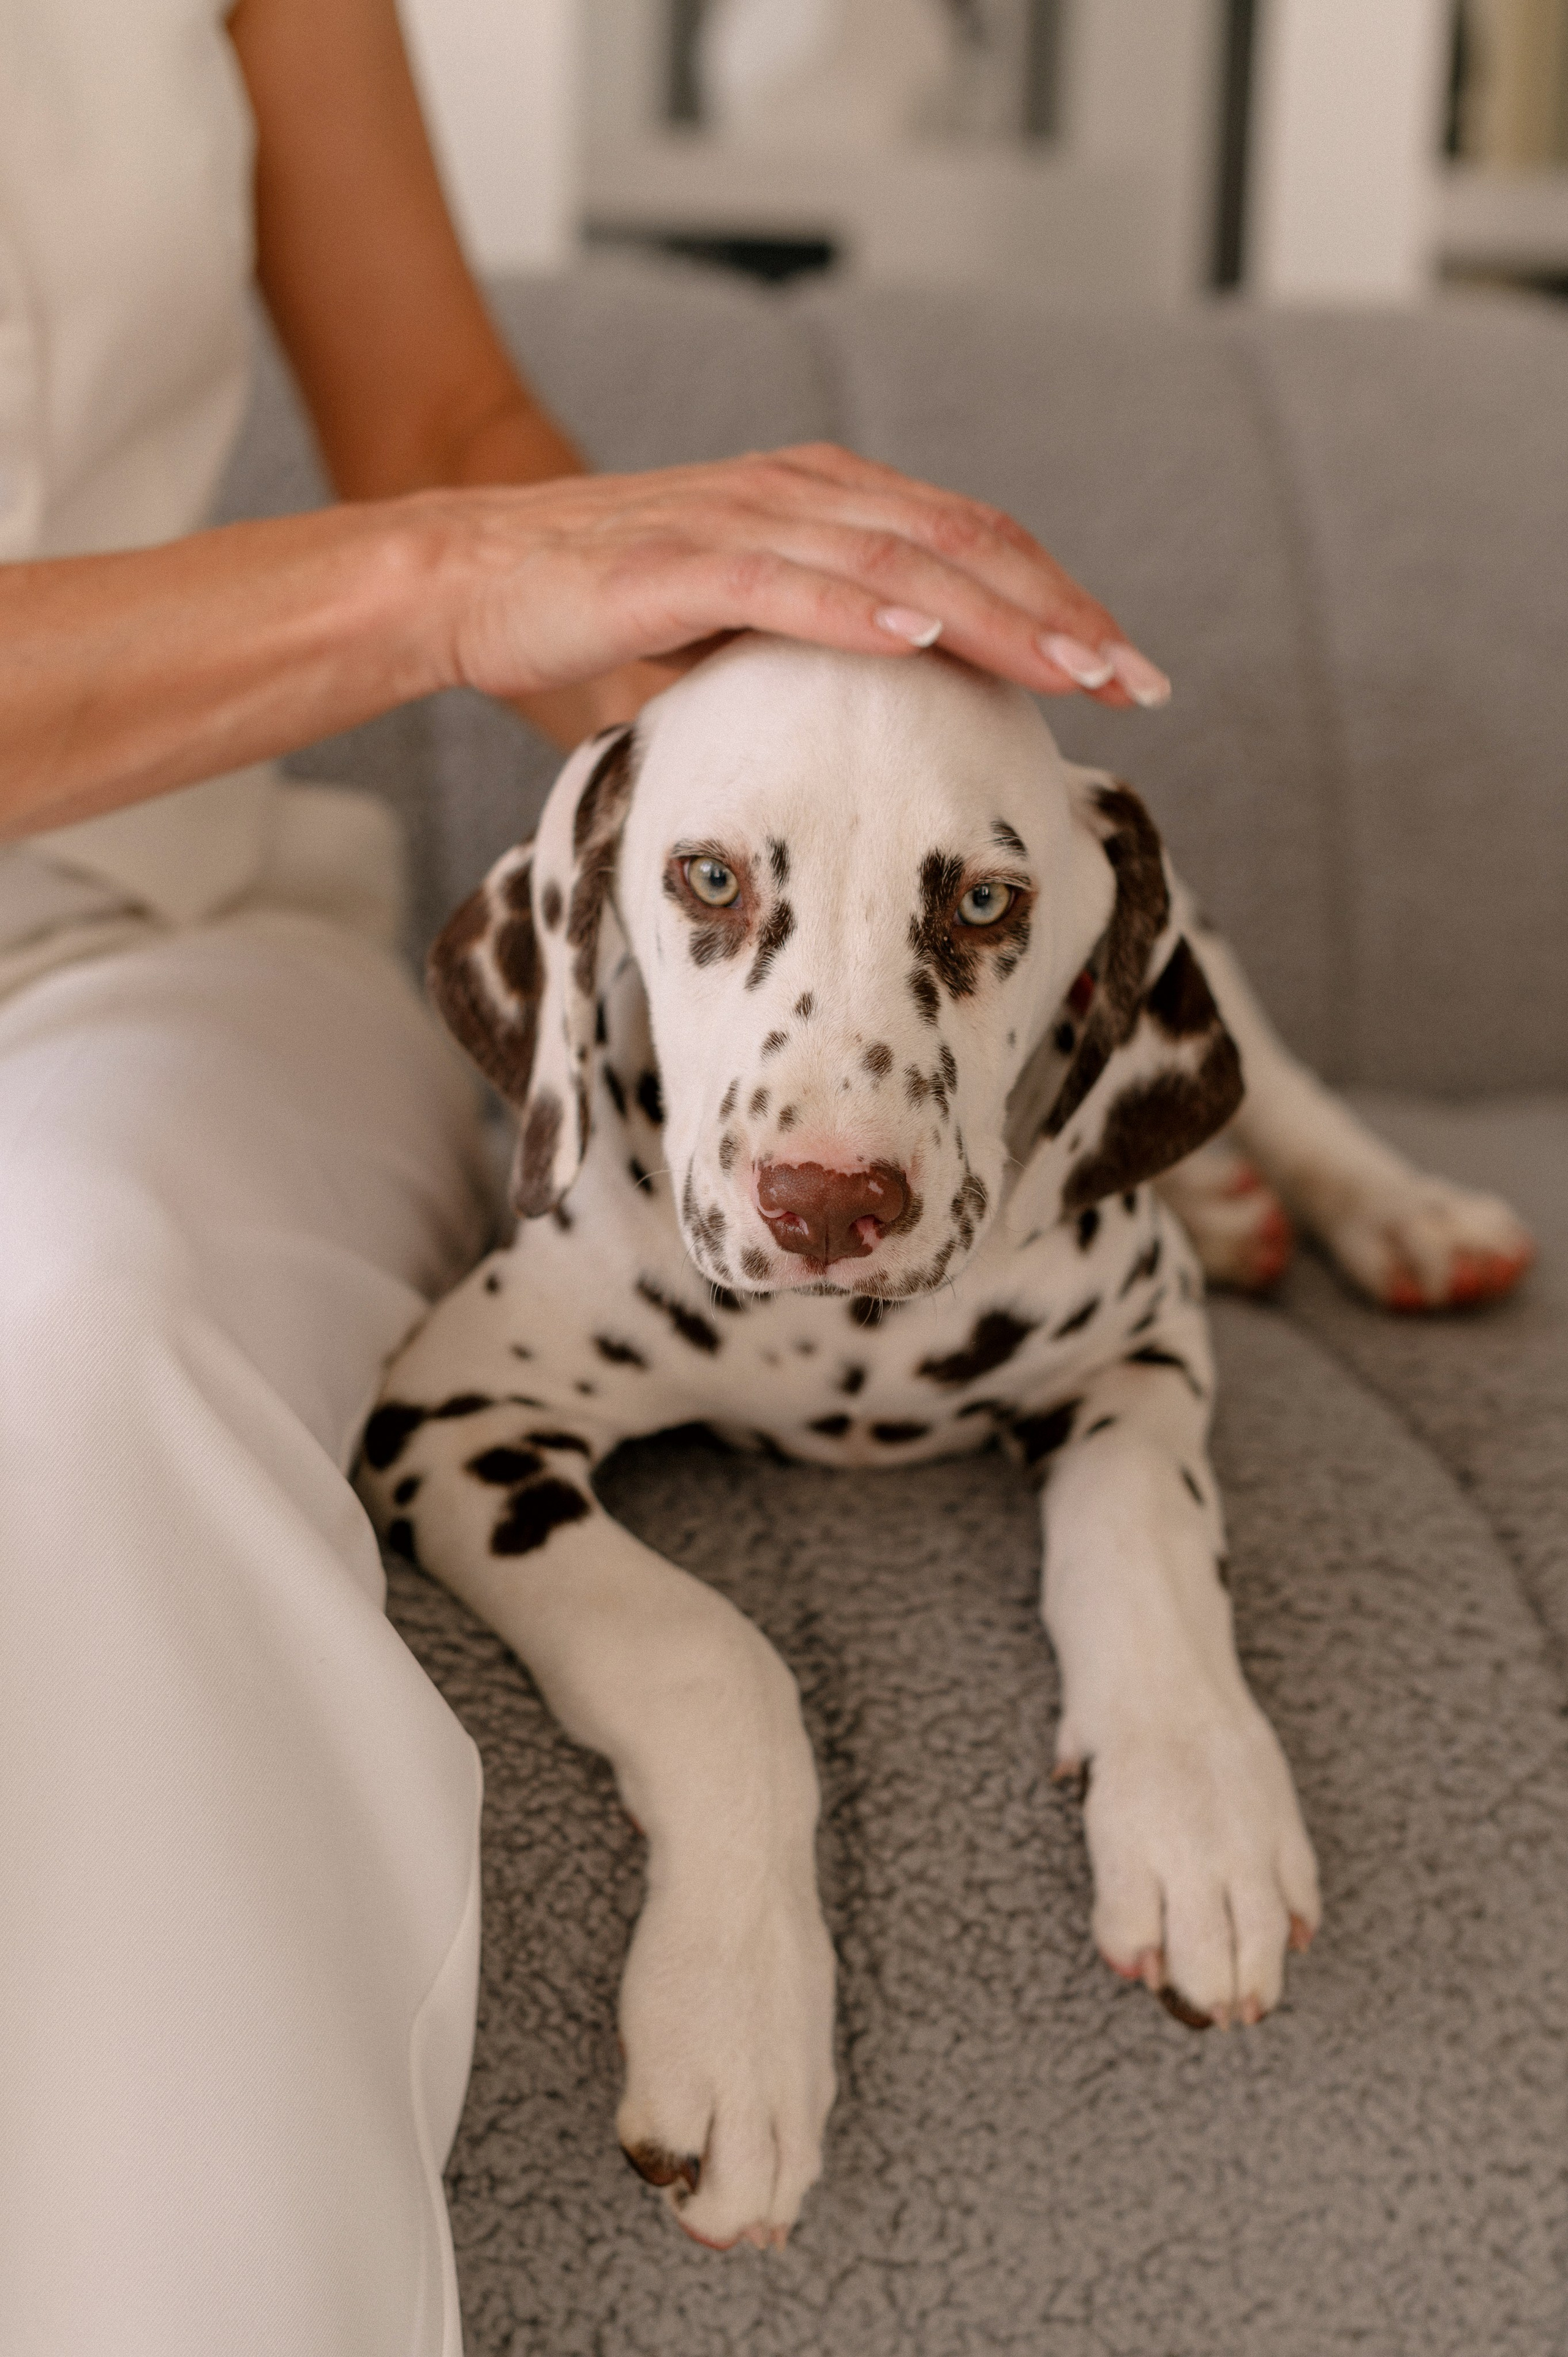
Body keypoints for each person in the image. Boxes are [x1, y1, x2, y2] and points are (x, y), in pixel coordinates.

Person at [0, 1, 1169, 2349]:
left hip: (135, 937)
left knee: (83, 1342)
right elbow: (446, 531)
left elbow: (444, 430)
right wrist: (439, 578)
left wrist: (836, 719)